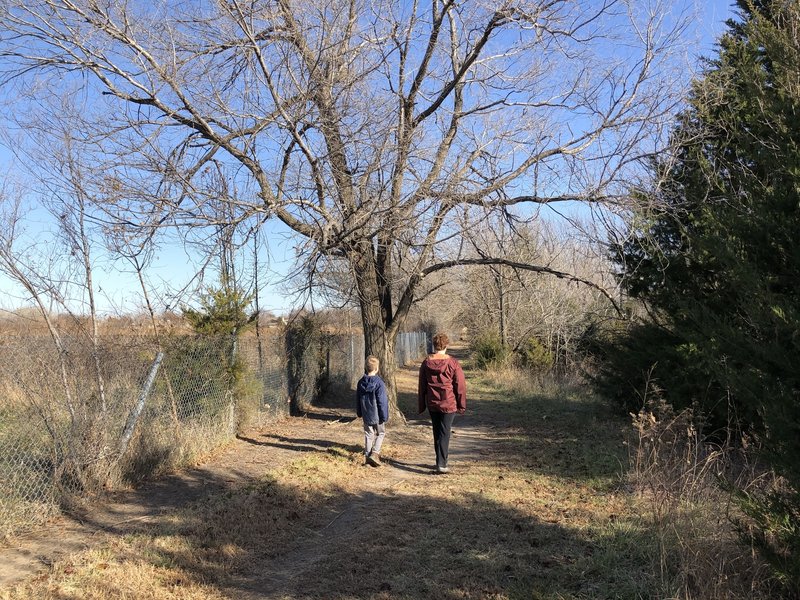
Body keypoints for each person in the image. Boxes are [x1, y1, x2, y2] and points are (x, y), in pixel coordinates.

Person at [418, 333, 466, 474]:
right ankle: (442, 463)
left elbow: (422, 385)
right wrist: (461, 404)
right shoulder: (453, 363)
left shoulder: (426, 362)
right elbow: (460, 385)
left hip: (433, 402)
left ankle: (439, 461)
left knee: (436, 431)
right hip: (449, 403)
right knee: (444, 432)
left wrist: (422, 404)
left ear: (434, 345)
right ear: (446, 345)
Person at [356, 355, 389, 467]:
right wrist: (384, 415)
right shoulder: (379, 383)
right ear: (376, 369)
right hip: (378, 416)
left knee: (368, 434)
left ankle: (367, 456)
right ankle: (375, 453)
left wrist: (359, 412)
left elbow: (358, 399)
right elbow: (382, 401)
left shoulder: (361, 382)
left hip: (366, 414)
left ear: (366, 367)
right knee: (381, 433)